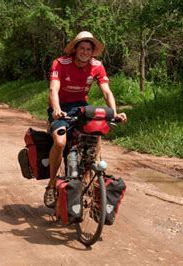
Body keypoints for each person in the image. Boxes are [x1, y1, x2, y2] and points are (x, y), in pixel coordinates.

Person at [44, 31, 127, 208]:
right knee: (59, 142)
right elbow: (53, 90)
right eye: (82, 48)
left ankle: (88, 181)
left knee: (94, 139)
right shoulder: (60, 63)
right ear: (75, 49)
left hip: (81, 106)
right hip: (61, 108)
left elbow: (106, 91)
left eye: (89, 49)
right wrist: (56, 110)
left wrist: (114, 112)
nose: (85, 52)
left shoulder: (97, 65)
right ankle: (51, 184)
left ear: (93, 51)